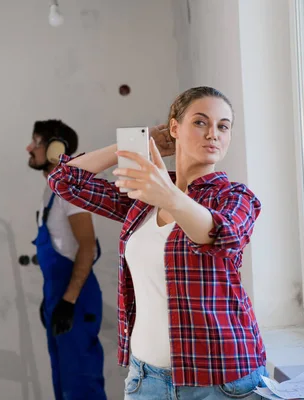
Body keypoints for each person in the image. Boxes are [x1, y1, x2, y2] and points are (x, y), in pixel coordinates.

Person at [47, 87, 269, 399]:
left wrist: (169, 195)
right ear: (175, 128)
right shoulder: (144, 198)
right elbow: (64, 181)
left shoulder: (233, 196)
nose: (213, 134)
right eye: (200, 123)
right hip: (145, 379)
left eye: (223, 126)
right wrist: (143, 140)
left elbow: (223, 236)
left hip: (222, 381)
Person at [27, 119, 106, 400]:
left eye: (36, 142)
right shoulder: (52, 189)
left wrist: (68, 300)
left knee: (81, 385)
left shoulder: (69, 190)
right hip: (60, 296)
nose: (29, 148)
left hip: (76, 298)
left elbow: (87, 247)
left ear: (55, 148)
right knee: (64, 383)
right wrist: (53, 300)